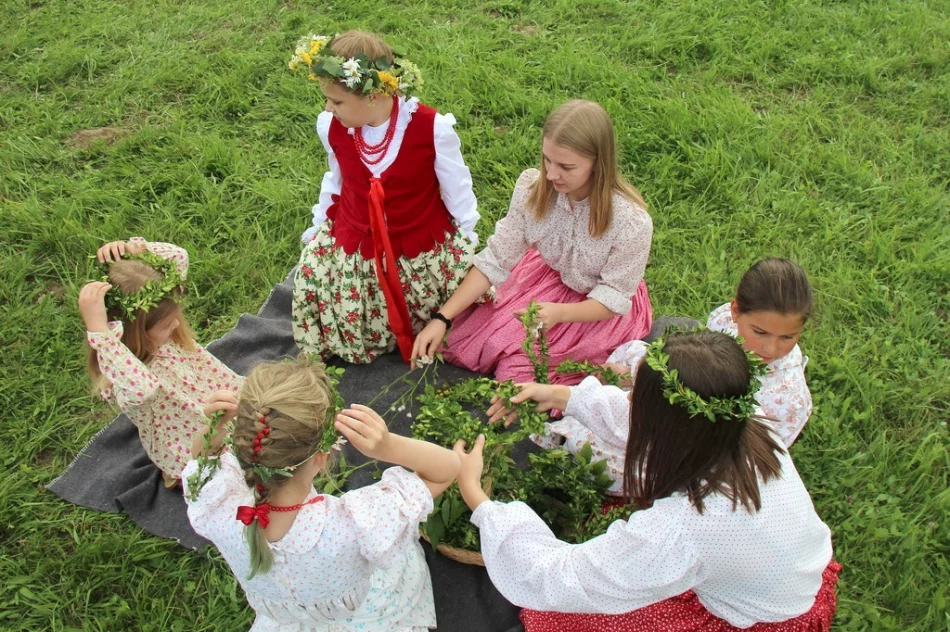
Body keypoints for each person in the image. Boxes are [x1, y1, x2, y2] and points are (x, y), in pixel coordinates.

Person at [458, 330, 839, 631]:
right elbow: (652, 420)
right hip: (796, 577)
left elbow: (563, 576)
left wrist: (479, 499)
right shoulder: (743, 422)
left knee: (558, 617)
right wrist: (563, 395)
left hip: (763, 620)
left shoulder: (681, 529)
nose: (630, 403)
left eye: (638, 399)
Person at [183, 356, 460, 631]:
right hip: (362, 614)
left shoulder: (219, 507)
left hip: (290, 619)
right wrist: (386, 447)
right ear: (321, 457)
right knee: (404, 557)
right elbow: (447, 469)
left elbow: (202, 463)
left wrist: (211, 428)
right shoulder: (355, 525)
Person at [412, 99, 653, 384]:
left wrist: (560, 313)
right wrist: (443, 318)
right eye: (547, 160)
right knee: (465, 339)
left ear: (598, 163)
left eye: (566, 166)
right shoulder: (533, 188)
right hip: (545, 280)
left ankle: (606, 378)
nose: (551, 175)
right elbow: (497, 258)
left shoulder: (630, 223)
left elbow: (612, 297)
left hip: (597, 310)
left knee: (516, 374)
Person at [290, 30, 479, 364]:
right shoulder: (332, 125)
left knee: (449, 309)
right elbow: (337, 178)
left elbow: (457, 189)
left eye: (337, 101)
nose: (328, 108)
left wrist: (465, 240)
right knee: (328, 293)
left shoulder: (429, 128)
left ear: (373, 96)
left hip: (415, 245)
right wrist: (319, 224)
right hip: (356, 242)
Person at [80, 238, 242, 485]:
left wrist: (136, 251)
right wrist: (101, 334)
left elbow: (180, 257)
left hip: (212, 397)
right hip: (191, 439)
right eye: (167, 325)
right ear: (135, 332)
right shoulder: (124, 376)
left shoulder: (161, 332)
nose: (177, 325)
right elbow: (144, 390)